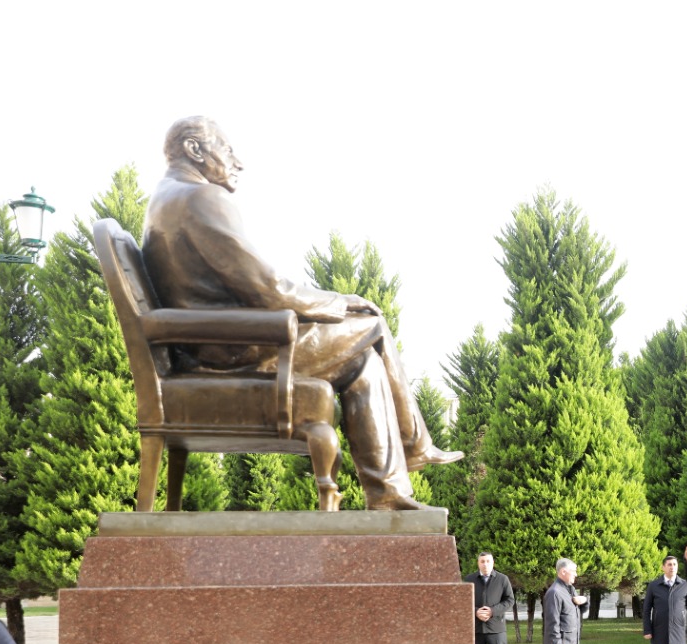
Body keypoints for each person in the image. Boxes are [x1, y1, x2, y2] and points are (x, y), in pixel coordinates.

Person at [141, 117, 459, 510]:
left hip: (213, 342)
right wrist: (339, 302)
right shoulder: (200, 198)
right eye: (227, 150)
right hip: (232, 348)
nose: (238, 163)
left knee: (363, 363)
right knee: (372, 325)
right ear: (195, 150)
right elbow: (267, 288)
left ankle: (390, 493)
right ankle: (413, 449)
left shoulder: (165, 198)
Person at [467, 552, 515, 644]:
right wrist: (475, 611)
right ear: (478, 563)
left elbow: (509, 600)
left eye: (488, 561)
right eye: (482, 561)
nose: (485, 564)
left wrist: (493, 611)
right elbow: (461, 600)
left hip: (496, 629)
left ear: (493, 563)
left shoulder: (502, 579)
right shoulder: (469, 580)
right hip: (476, 629)